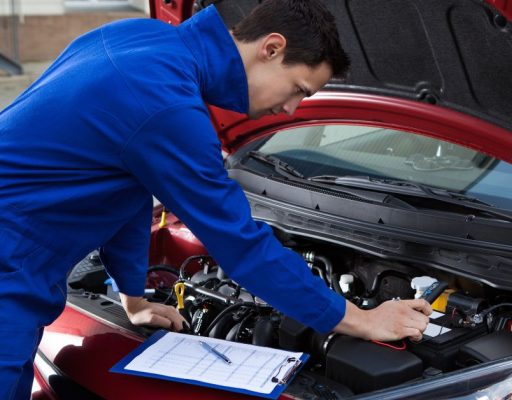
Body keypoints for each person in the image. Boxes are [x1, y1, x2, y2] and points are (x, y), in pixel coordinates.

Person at [0, 0, 431, 397]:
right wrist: (358, 318)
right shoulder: (169, 106)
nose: (291, 110)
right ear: (271, 49)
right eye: (299, 88)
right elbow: (241, 246)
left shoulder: (134, 37)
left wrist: (133, 298)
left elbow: (128, 191)